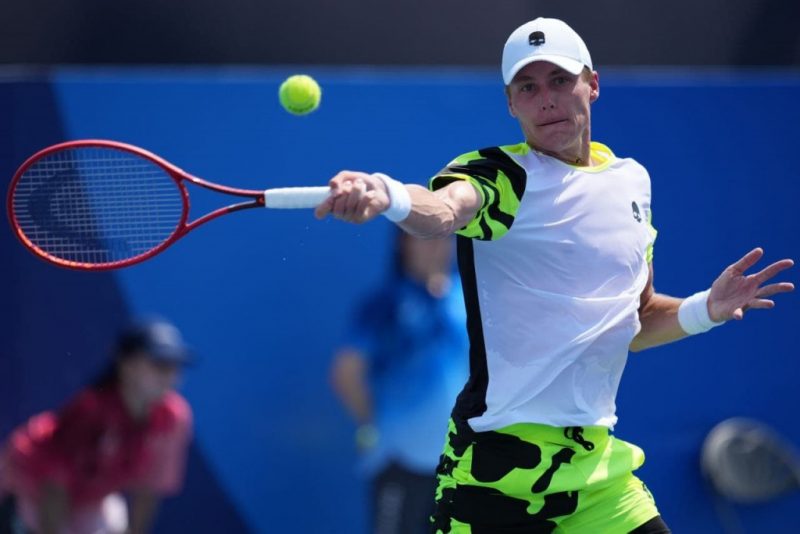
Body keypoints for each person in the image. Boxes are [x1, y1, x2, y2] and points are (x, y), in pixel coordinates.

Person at [313, 17, 795, 534]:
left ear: (593, 84)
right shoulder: (501, 175)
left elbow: (635, 319)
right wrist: (390, 196)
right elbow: (445, 209)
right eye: (527, 87)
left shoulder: (631, 183)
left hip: (596, 472)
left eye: (560, 80)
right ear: (510, 103)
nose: (545, 100)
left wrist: (706, 309)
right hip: (492, 478)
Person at [0, 318, 194, 534]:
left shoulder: (174, 418)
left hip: (88, 500)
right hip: (27, 488)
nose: (169, 375)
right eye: (159, 364)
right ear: (126, 364)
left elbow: (150, 487)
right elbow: (53, 486)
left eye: (174, 366)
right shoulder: (91, 411)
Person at [330, 232, 468, 534]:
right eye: (425, 236)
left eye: (444, 237)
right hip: (398, 462)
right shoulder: (384, 303)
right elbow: (346, 373)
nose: (436, 245)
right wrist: (376, 423)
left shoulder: (468, 300)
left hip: (461, 466)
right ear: (404, 244)